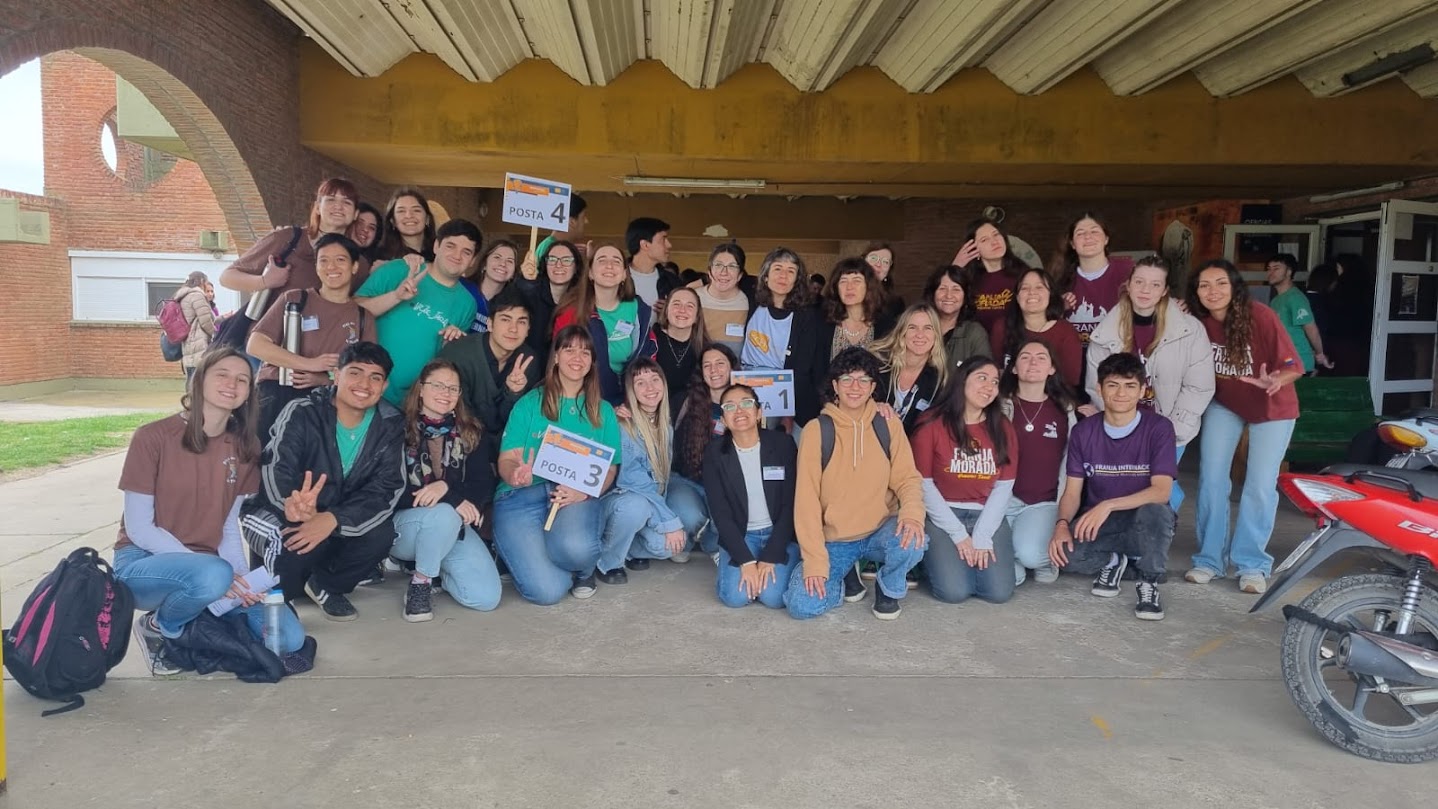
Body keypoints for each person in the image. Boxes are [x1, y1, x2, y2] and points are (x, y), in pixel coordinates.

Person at [116, 347, 309, 676]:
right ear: (199, 380)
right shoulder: (152, 437)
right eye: (222, 375)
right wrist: (216, 574)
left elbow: (228, 526)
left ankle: (199, 612)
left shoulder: (245, 446)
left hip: (213, 570)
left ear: (249, 392)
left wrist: (241, 581)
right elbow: (139, 528)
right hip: (144, 563)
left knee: (289, 638)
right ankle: (159, 626)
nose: (232, 384)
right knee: (212, 575)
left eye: (242, 379)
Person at [243, 341, 405, 621]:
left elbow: (386, 488)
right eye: (355, 373)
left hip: (334, 515)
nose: (364, 384)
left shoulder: (389, 423)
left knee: (381, 534)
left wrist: (333, 519)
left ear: (385, 385)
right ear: (336, 375)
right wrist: (291, 504)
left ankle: (325, 584)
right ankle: (274, 593)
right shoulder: (302, 411)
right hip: (276, 510)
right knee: (291, 544)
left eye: (375, 377)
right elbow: (276, 466)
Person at [1185, 259, 1303, 594]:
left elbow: (1294, 366)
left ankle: (1251, 564)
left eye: (1221, 283)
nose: (1213, 291)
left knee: (1259, 485)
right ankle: (1209, 560)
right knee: (1211, 479)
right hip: (1226, 404)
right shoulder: (1197, 323)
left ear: (1235, 287)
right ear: (1196, 292)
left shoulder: (1260, 316)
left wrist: (1275, 380)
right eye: (1204, 285)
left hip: (1272, 405)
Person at [784, 347, 927, 620]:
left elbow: (907, 478)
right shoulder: (817, 430)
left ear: (872, 387)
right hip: (837, 539)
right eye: (847, 379)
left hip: (879, 530)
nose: (855, 387)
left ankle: (889, 587)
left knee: (914, 541)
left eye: (863, 380)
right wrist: (815, 561)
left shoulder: (887, 424)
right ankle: (845, 576)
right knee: (802, 605)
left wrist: (912, 515)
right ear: (835, 385)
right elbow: (806, 500)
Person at [492, 327, 623, 604]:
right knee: (548, 591)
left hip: (572, 495)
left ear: (592, 362)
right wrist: (515, 474)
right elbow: (507, 459)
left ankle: (582, 568)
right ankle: (515, 548)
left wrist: (584, 491)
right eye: (569, 349)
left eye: (585, 352)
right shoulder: (530, 403)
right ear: (555, 357)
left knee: (576, 551)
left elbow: (610, 469)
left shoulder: (603, 411)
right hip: (521, 497)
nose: (577, 357)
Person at [1048, 352, 1177, 621]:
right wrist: (1061, 524)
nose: (1121, 393)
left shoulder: (1159, 428)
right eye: (1113, 385)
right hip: (1102, 523)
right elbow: (1072, 492)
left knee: (1157, 512)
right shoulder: (1084, 431)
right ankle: (1115, 561)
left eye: (1130, 386)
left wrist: (1108, 505)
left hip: (1144, 520)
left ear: (1142, 390)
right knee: (1064, 556)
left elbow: (1161, 491)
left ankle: (1149, 582)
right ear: (1099, 388)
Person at [1085, 255, 1214, 513]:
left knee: (1163, 489)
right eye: (1140, 282)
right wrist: (1108, 418)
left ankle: (1163, 530)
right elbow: (1096, 382)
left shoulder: (1189, 329)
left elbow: (1198, 386)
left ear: (1165, 290)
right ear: (1128, 284)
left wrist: (1171, 429)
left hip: (1169, 423)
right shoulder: (1106, 329)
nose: (1146, 290)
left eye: (1155, 285)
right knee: (1126, 487)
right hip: (1122, 425)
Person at [391, 360, 500, 622]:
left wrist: (446, 488)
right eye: (438, 385)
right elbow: (393, 490)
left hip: (451, 527)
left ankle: (435, 567)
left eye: (453, 388)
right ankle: (420, 584)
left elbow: (482, 483)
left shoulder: (471, 431)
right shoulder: (396, 428)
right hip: (404, 528)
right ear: (421, 389)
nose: (446, 393)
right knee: (444, 513)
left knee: (486, 598)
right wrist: (450, 496)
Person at [911, 355, 1017, 605]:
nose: (989, 387)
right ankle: (931, 562)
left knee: (998, 593)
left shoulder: (1002, 426)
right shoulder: (931, 423)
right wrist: (958, 534)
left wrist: (982, 535)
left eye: (994, 382)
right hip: (941, 514)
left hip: (985, 513)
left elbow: (1004, 486)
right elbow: (923, 484)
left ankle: (958, 562)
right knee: (954, 592)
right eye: (982, 378)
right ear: (962, 381)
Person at [247, 233, 375, 439]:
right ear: (316, 267)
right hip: (277, 392)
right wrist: (310, 364)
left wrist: (325, 379)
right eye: (323, 260)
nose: (331, 267)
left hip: (325, 401)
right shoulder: (295, 298)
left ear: (354, 267)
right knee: (262, 453)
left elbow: (365, 371)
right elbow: (256, 345)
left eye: (340, 260)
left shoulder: (362, 317)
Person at [598, 359, 709, 579]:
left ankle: (626, 548)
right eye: (640, 382)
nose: (650, 388)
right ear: (630, 391)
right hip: (618, 502)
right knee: (635, 507)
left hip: (647, 503)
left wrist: (666, 524)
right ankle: (607, 561)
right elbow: (634, 483)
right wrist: (668, 521)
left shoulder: (664, 425)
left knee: (670, 546)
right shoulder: (624, 424)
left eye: (655, 379)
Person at [355, 218, 483, 406]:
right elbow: (353, 312)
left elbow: (445, 360)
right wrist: (396, 296)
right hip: (364, 388)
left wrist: (451, 344)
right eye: (451, 246)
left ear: (472, 261)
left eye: (467, 252)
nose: (457, 255)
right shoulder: (400, 270)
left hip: (413, 403)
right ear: (436, 246)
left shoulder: (467, 304)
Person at [704, 384, 802, 608]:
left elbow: (790, 505)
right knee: (735, 598)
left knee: (773, 598)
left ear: (759, 412)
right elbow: (721, 513)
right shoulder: (714, 453)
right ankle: (732, 564)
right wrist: (746, 561)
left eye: (746, 404)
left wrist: (770, 556)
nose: (739, 411)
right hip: (742, 534)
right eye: (730, 407)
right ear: (724, 419)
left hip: (778, 533)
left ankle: (787, 564)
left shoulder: (783, 444)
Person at [219, 178, 366, 319]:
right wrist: (265, 281)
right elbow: (227, 277)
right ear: (317, 207)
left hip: (321, 336)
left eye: (347, 202)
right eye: (331, 200)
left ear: (355, 214)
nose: (338, 206)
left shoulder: (358, 263)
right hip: (266, 334)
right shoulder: (287, 239)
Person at [1001, 339, 1078, 586]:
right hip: (1002, 501)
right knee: (1005, 568)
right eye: (1025, 357)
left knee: (1030, 555)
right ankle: (1012, 560)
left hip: (1042, 502)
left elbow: (1072, 462)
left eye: (1041, 357)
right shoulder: (998, 406)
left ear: (1052, 368)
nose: (1033, 362)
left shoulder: (1064, 409)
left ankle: (1038, 558)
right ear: (1014, 368)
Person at [437, 288, 542, 456]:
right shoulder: (459, 355)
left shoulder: (529, 360)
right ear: (490, 324)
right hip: (456, 442)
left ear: (529, 328)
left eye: (521, 322)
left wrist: (513, 393)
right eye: (505, 319)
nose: (513, 329)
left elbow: (517, 422)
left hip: (504, 448)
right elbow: (454, 417)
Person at [552, 244, 658, 405]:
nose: (609, 265)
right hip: (585, 399)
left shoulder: (638, 309)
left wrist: (633, 401)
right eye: (602, 260)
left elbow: (649, 351)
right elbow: (559, 361)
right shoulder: (571, 313)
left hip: (631, 399)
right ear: (590, 273)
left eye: (616, 261)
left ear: (624, 274)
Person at [742, 247, 827, 430]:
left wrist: (788, 412)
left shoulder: (807, 317)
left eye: (791, 271)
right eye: (777, 269)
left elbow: (803, 368)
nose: (783, 276)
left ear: (797, 280)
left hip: (782, 397)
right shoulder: (750, 300)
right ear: (765, 276)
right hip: (745, 391)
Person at [670, 345, 738, 557]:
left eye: (720, 364)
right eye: (707, 365)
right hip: (685, 480)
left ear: (732, 367)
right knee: (691, 517)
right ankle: (687, 542)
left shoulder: (745, 404)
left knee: (725, 522)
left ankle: (711, 542)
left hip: (727, 485)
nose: (713, 370)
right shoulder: (684, 401)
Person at [991, 268, 1084, 389]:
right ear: (1017, 297)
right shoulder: (1002, 327)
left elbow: (1070, 380)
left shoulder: (1065, 332)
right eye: (1025, 288)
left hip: (1055, 397)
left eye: (1039, 287)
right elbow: (996, 371)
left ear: (1050, 294)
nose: (1032, 292)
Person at [1051, 213, 1134, 344]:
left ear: (1106, 239)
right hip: (1075, 354)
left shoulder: (1128, 271)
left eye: (1094, 231)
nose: (1088, 236)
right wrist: (1059, 307)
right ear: (1072, 243)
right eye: (1080, 233)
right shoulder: (1059, 277)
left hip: (1119, 353)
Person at [872, 304, 948, 435]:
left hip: (910, 445)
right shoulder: (878, 363)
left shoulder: (938, 379)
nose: (920, 335)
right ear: (902, 332)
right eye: (912, 327)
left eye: (927, 328)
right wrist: (872, 407)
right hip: (869, 439)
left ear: (936, 335)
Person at [952, 217, 1029, 332]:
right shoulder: (969, 279)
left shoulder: (1023, 274)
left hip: (1017, 340)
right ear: (973, 249)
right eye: (984, 240)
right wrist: (955, 268)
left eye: (996, 234)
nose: (994, 242)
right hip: (978, 342)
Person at [518, 239, 582, 364]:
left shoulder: (582, 299)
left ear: (576, 267)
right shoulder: (530, 290)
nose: (558, 265)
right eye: (552, 259)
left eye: (566, 260)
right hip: (527, 367)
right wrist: (526, 283)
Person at [818, 257, 895, 362]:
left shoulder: (886, 325)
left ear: (868, 286)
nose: (849, 287)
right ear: (836, 288)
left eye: (856, 281)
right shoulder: (821, 323)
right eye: (843, 281)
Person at [1265, 253, 1330, 375]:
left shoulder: (1295, 298)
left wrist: (1320, 353)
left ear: (1289, 272)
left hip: (1298, 363)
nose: (1271, 272)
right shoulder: (1275, 301)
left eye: (1276, 268)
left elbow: (1310, 328)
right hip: (1282, 361)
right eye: (1269, 269)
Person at [655, 286, 708, 420]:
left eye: (689, 306)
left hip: (688, 417)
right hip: (653, 412)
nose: (682, 310)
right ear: (666, 310)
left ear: (697, 316)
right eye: (676, 304)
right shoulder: (650, 340)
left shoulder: (705, 348)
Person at [923, 264, 989, 367]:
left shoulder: (974, 333)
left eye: (956, 289)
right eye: (942, 289)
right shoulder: (919, 328)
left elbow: (983, 371)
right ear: (933, 294)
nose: (949, 295)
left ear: (965, 296)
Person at [690, 242, 751, 353]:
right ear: (709, 271)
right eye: (718, 265)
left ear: (740, 275)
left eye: (732, 266)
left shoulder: (750, 302)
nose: (724, 272)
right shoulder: (692, 299)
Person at [462, 239, 519, 333]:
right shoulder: (462, 288)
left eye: (510, 261)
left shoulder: (510, 308)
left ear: (513, 273)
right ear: (484, 264)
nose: (503, 264)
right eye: (497, 257)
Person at [625, 217, 681, 312]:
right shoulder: (616, 278)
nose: (669, 245)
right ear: (645, 245)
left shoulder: (672, 282)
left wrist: (671, 312)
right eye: (663, 239)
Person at [375, 186, 436, 263]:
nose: (409, 216)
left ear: (427, 218)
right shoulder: (380, 256)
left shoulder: (441, 252)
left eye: (416, 210)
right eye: (401, 211)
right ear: (392, 221)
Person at [174, 271, 215, 381]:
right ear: (201, 281)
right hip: (198, 343)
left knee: (191, 379)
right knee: (199, 381)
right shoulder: (197, 295)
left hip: (188, 343)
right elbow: (205, 321)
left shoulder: (183, 296)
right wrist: (215, 334)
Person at [533, 193, 589, 266]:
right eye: (583, 217)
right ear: (571, 222)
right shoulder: (550, 247)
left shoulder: (551, 245)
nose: (586, 221)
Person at [863, 241, 906, 321]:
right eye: (873, 258)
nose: (878, 264)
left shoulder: (895, 303)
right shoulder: (847, 292)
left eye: (885, 262)